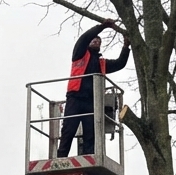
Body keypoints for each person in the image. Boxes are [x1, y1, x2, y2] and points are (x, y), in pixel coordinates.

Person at [56, 20, 130, 158]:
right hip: (75, 98)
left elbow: (120, 63)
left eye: (98, 40)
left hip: (91, 102)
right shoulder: (79, 53)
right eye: (94, 39)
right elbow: (84, 38)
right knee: (68, 130)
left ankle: (88, 159)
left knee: (91, 133)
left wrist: (126, 46)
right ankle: (61, 158)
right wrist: (102, 26)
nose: (96, 41)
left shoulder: (102, 63)